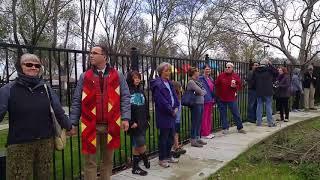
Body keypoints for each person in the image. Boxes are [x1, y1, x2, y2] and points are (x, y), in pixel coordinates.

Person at [0, 53, 73, 180]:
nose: (33, 67)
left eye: (37, 65)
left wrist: (68, 125)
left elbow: (58, 110)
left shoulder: (46, 87)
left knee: (44, 176)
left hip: (45, 142)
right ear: (20, 67)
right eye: (29, 64)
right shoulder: (9, 89)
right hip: (19, 145)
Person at [69, 45, 131, 180]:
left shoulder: (117, 75)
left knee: (108, 160)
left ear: (104, 56)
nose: (91, 55)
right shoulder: (85, 76)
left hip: (112, 124)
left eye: (94, 53)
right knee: (90, 161)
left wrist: (126, 118)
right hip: (90, 124)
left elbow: (125, 96)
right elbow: (76, 100)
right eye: (90, 53)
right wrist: (73, 122)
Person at [150, 62, 179, 168]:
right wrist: (171, 110)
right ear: (161, 71)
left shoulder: (169, 83)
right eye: (166, 70)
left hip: (172, 113)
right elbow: (161, 101)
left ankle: (168, 156)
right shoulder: (157, 84)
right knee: (164, 137)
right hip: (164, 114)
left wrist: (176, 106)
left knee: (171, 136)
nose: (168, 73)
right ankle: (162, 159)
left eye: (169, 71)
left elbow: (175, 96)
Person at [126, 71, 150, 176]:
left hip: (143, 122)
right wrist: (131, 122)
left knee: (137, 144)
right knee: (140, 143)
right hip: (134, 123)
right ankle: (143, 159)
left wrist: (147, 118)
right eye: (134, 77)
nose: (137, 79)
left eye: (138, 77)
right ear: (130, 79)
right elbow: (125, 108)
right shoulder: (127, 91)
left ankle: (136, 166)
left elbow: (146, 105)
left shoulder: (141, 90)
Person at [215, 62, 246, 134]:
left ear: (232, 68)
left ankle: (240, 127)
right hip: (221, 98)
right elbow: (216, 85)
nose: (227, 68)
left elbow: (240, 86)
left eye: (229, 67)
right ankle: (225, 128)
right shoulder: (221, 76)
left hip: (231, 98)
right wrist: (217, 95)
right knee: (223, 114)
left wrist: (235, 86)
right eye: (226, 67)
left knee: (236, 113)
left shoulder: (235, 76)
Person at [253, 59, 278, 127]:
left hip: (259, 90)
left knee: (259, 106)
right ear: (267, 64)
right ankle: (270, 122)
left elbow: (253, 81)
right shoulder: (269, 70)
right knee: (268, 106)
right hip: (268, 90)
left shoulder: (256, 70)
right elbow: (276, 72)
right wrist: (271, 64)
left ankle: (258, 122)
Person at [187, 67, 207, 147]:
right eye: (197, 71)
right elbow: (200, 91)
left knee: (199, 121)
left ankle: (198, 138)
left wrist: (201, 91)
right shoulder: (191, 82)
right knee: (195, 122)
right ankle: (193, 139)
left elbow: (204, 91)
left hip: (201, 103)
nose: (199, 72)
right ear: (194, 73)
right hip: (195, 104)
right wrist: (201, 91)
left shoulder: (197, 81)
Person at [199, 64, 215, 139]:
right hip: (205, 100)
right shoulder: (201, 78)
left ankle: (208, 132)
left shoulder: (210, 78)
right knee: (204, 117)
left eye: (209, 69)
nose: (208, 70)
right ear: (203, 70)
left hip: (210, 100)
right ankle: (204, 133)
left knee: (209, 116)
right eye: (206, 69)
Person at [171, 81, 187, 157]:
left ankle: (176, 146)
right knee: (174, 132)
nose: (181, 89)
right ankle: (175, 147)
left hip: (177, 119)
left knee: (176, 132)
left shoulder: (179, 97)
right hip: (174, 119)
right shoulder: (174, 98)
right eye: (180, 87)